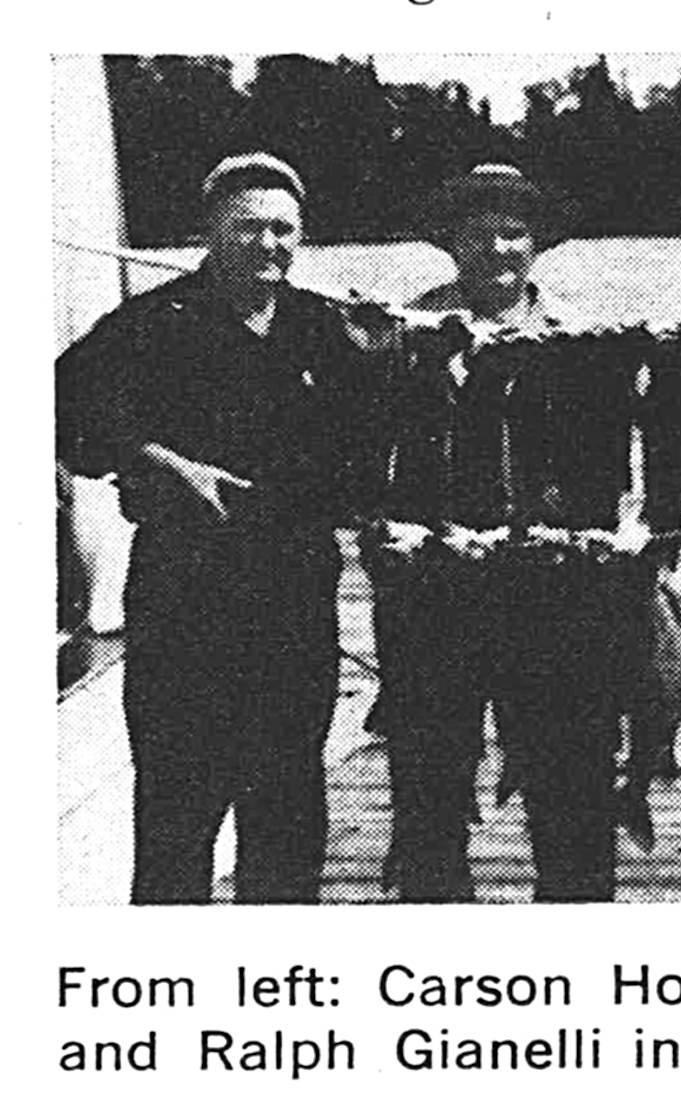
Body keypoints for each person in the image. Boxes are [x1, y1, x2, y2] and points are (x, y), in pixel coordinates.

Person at [56, 153, 378, 903]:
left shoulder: (325, 327)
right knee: (177, 814)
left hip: (294, 598)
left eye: (283, 230)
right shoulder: (151, 323)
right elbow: (58, 411)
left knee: (288, 809)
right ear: (210, 232)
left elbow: (372, 450)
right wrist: (166, 463)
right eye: (248, 228)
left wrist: (389, 357)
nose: (268, 245)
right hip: (184, 597)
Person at [364, 163, 677, 902]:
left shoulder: (585, 339)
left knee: (573, 806)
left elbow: (623, 461)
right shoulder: (400, 336)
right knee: (430, 808)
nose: (498, 250)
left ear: (537, 244)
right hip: (434, 595)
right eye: (478, 235)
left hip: (557, 597)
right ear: (450, 244)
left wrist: (631, 542)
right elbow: (365, 456)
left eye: (513, 234)